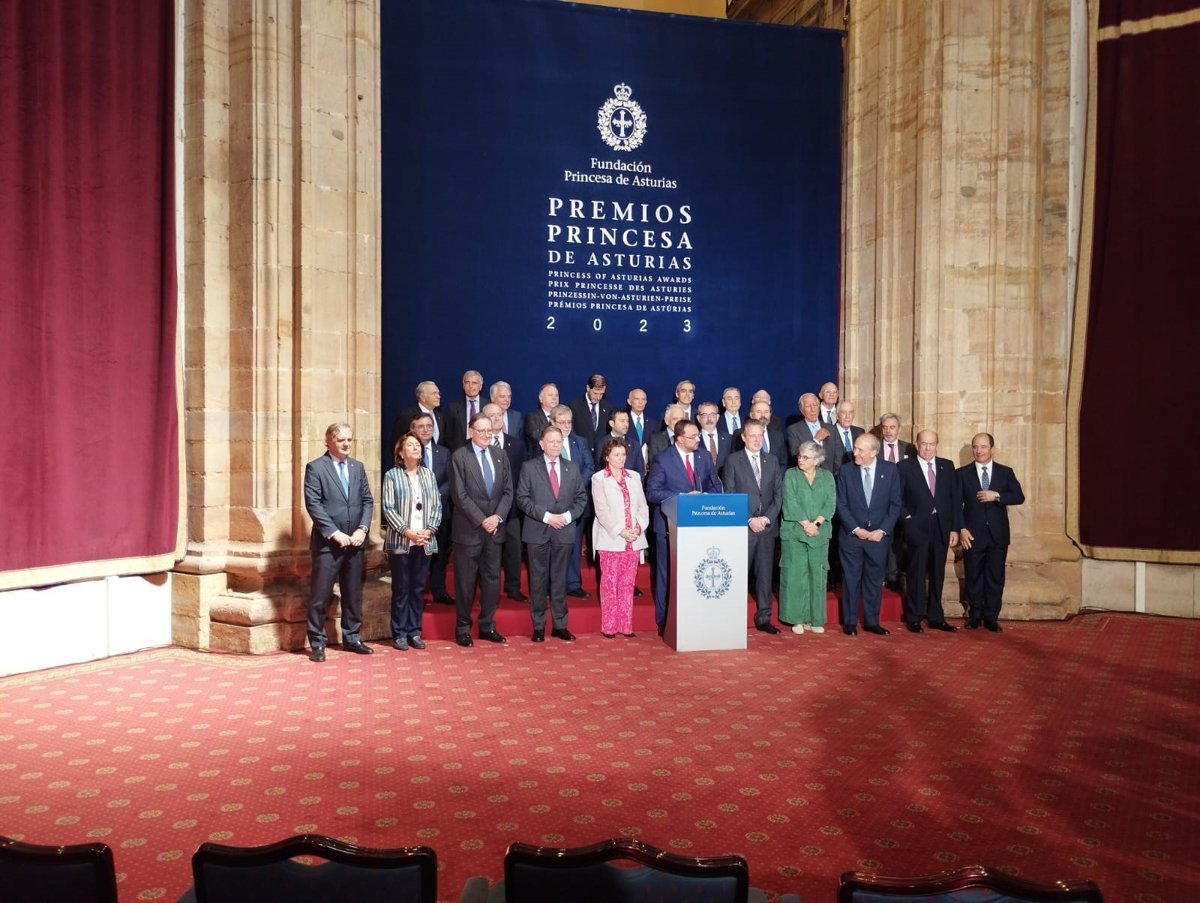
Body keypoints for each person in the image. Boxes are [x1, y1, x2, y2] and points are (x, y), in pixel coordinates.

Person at [303, 422, 374, 662]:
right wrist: (334, 533)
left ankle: (352, 638)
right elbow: (314, 504)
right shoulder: (316, 468)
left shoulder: (357, 467)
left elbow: (367, 500)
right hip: (328, 545)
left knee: (352, 594)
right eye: (341, 440)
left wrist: (363, 529)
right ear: (329, 442)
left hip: (355, 542)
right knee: (320, 595)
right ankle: (317, 643)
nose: (346, 444)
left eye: (349, 440)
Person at [646, 418, 723, 635]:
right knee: (667, 575)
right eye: (693, 436)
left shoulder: (703, 456)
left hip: (698, 527)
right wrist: (683, 497)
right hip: (669, 528)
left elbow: (715, 484)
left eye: (698, 435)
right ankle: (664, 620)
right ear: (679, 439)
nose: (698, 439)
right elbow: (653, 492)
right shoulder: (663, 459)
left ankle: (694, 618)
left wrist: (708, 497)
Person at [517, 426, 589, 642]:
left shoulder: (572, 468)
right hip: (537, 531)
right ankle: (539, 626)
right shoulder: (529, 467)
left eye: (559, 441)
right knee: (538, 580)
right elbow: (522, 499)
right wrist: (547, 517)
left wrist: (567, 517)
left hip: (564, 531)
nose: (556, 445)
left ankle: (560, 625)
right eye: (551, 441)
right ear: (542, 444)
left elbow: (581, 499)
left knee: (560, 580)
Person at [449, 411, 513, 646]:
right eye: (481, 430)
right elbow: (459, 495)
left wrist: (497, 517)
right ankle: (463, 628)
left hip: (495, 530)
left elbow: (508, 491)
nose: (487, 434)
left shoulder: (500, 455)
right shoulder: (459, 457)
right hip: (469, 531)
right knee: (465, 583)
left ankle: (487, 625)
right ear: (471, 431)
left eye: (490, 430)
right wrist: (482, 519)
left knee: (492, 580)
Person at [957, 432, 1025, 632]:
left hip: (998, 535)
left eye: (983, 447)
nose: (979, 451)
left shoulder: (1005, 472)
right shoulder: (962, 473)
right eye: (975, 447)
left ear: (992, 449)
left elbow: (1019, 496)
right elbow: (955, 505)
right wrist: (961, 528)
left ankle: (991, 617)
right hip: (972, 535)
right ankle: (975, 615)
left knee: (995, 577)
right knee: (973, 576)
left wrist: (997, 496)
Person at [720, 419, 782, 634]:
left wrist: (766, 519)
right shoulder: (732, 461)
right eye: (752, 435)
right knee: (739, 575)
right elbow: (729, 494)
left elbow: (778, 495)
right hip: (743, 528)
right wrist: (749, 519)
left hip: (766, 528)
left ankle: (764, 618)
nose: (757, 439)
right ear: (744, 438)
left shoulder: (772, 460)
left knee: (765, 577)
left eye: (760, 435)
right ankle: (734, 619)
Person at [835, 434, 902, 635]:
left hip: (878, 538)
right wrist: (857, 529)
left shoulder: (890, 470)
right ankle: (850, 622)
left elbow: (895, 504)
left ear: (874, 452)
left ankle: (872, 621)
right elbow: (840, 503)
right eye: (855, 448)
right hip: (851, 537)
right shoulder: (846, 471)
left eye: (860, 450)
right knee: (851, 579)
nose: (855, 453)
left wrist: (882, 531)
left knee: (874, 581)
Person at [381, 432, 442, 651]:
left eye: (418, 445)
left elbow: (436, 506)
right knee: (401, 588)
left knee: (418, 588)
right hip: (402, 542)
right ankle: (399, 633)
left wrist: (429, 530)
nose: (416, 448)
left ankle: (414, 631)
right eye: (410, 445)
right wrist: (407, 532)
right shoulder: (392, 475)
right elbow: (388, 508)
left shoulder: (428, 475)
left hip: (424, 541)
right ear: (400, 452)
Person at [898, 430, 960, 633]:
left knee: (937, 573)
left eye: (931, 444)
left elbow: (954, 500)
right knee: (916, 573)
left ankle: (935, 616)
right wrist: (907, 518)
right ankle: (914, 616)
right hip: (917, 526)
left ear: (937, 445)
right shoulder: (904, 467)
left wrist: (954, 528)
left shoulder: (947, 466)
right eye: (923, 444)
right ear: (916, 445)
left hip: (941, 527)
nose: (927, 448)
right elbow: (897, 497)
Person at [591, 439, 650, 638]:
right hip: (610, 539)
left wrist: (638, 527)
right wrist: (621, 531)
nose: (621, 458)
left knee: (627, 584)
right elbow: (602, 511)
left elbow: (643, 506)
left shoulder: (634, 476)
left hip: (633, 539)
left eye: (623, 454)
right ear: (607, 457)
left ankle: (626, 625)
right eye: (616, 455)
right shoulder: (599, 478)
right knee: (609, 584)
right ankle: (609, 626)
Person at [779, 440, 836, 634]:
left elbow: (830, 503)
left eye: (806, 457)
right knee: (795, 575)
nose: (800, 460)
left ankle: (814, 619)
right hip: (795, 532)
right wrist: (806, 524)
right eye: (799, 456)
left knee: (817, 575)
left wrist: (816, 524)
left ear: (817, 460)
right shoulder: (791, 474)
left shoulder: (827, 477)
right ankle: (796, 619)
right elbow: (790, 502)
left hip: (819, 533)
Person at [484, 402, 527, 602]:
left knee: (513, 550)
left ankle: (513, 587)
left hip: (512, 509)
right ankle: (488, 591)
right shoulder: (478, 445)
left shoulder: (516, 444)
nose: (496, 419)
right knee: (488, 553)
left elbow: (522, 477)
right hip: (485, 511)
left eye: (499, 415)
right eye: (491, 416)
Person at [550, 404, 594, 598]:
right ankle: (553, 585)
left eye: (569, 422)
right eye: (562, 422)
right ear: (552, 422)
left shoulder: (580, 442)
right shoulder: (545, 443)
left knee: (575, 545)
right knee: (554, 547)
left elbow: (589, 467)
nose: (567, 426)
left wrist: (575, 488)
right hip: (553, 505)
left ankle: (573, 583)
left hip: (577, 503)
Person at [411, 412, 455, 606]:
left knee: (440, 555)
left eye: (429, 426)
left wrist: (436, 496)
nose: (426, 430)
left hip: (441, 513)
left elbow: (450, 480)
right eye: (421, 426)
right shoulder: (408, 452)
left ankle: (439, 591)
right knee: (419, 556)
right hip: (416, 516)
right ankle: (417, 595)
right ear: (413, 429)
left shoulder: (444, 452)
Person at [593, 409, 645, 477]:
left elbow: (640, 471)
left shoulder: (635, 445)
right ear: (612, 423)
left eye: (627, 421)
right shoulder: (601, 444)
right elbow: (599, 470)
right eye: (622, 421)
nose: (626, 424)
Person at [393, 380, 444, 448]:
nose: (438, 396)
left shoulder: (439, 416)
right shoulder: (407, 416)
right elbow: (398, 443)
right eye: (434, 393)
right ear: (423, 397)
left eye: (438, 393)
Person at [569, 373, 615, 447]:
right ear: (588, 388)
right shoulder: (574, 406)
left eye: (601, 394)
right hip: (581, 450)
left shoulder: (608, 407)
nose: (598, 397)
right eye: (595, 393)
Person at [443, 369, 485, 452]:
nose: (470, 386)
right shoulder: (452, 408)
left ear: (480, 386)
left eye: (474, 383)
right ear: (463, 386)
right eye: (467, 383)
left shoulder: (488, 405)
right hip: (459, 452)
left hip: (482, 449)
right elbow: (447, 435)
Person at [523, 383, 560, 455]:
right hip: (540, 457)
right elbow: (536, 437)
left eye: (556, 395)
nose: (554, 398)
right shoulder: (532, 417)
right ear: (541, 398)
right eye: (550, 395)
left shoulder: (563, 417)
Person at [695, 400, 733, 471]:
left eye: (712, 415)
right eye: (704, 415)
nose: (709, 419)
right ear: (698, 418)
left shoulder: (729, 439)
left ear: (717, 417)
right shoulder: (693, 440)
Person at [646, 403, 686, 468]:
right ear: (667, 421)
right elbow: (654, 464)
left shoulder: (688, 438)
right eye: (675, 419)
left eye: (681, 419)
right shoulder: (655, 439)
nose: (679, 422)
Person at [626, 387, 651, 459]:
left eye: (643, 399)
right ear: (629, 401)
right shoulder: (624, 421)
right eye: (637, 399)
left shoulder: (652, 423)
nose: (640, 402)